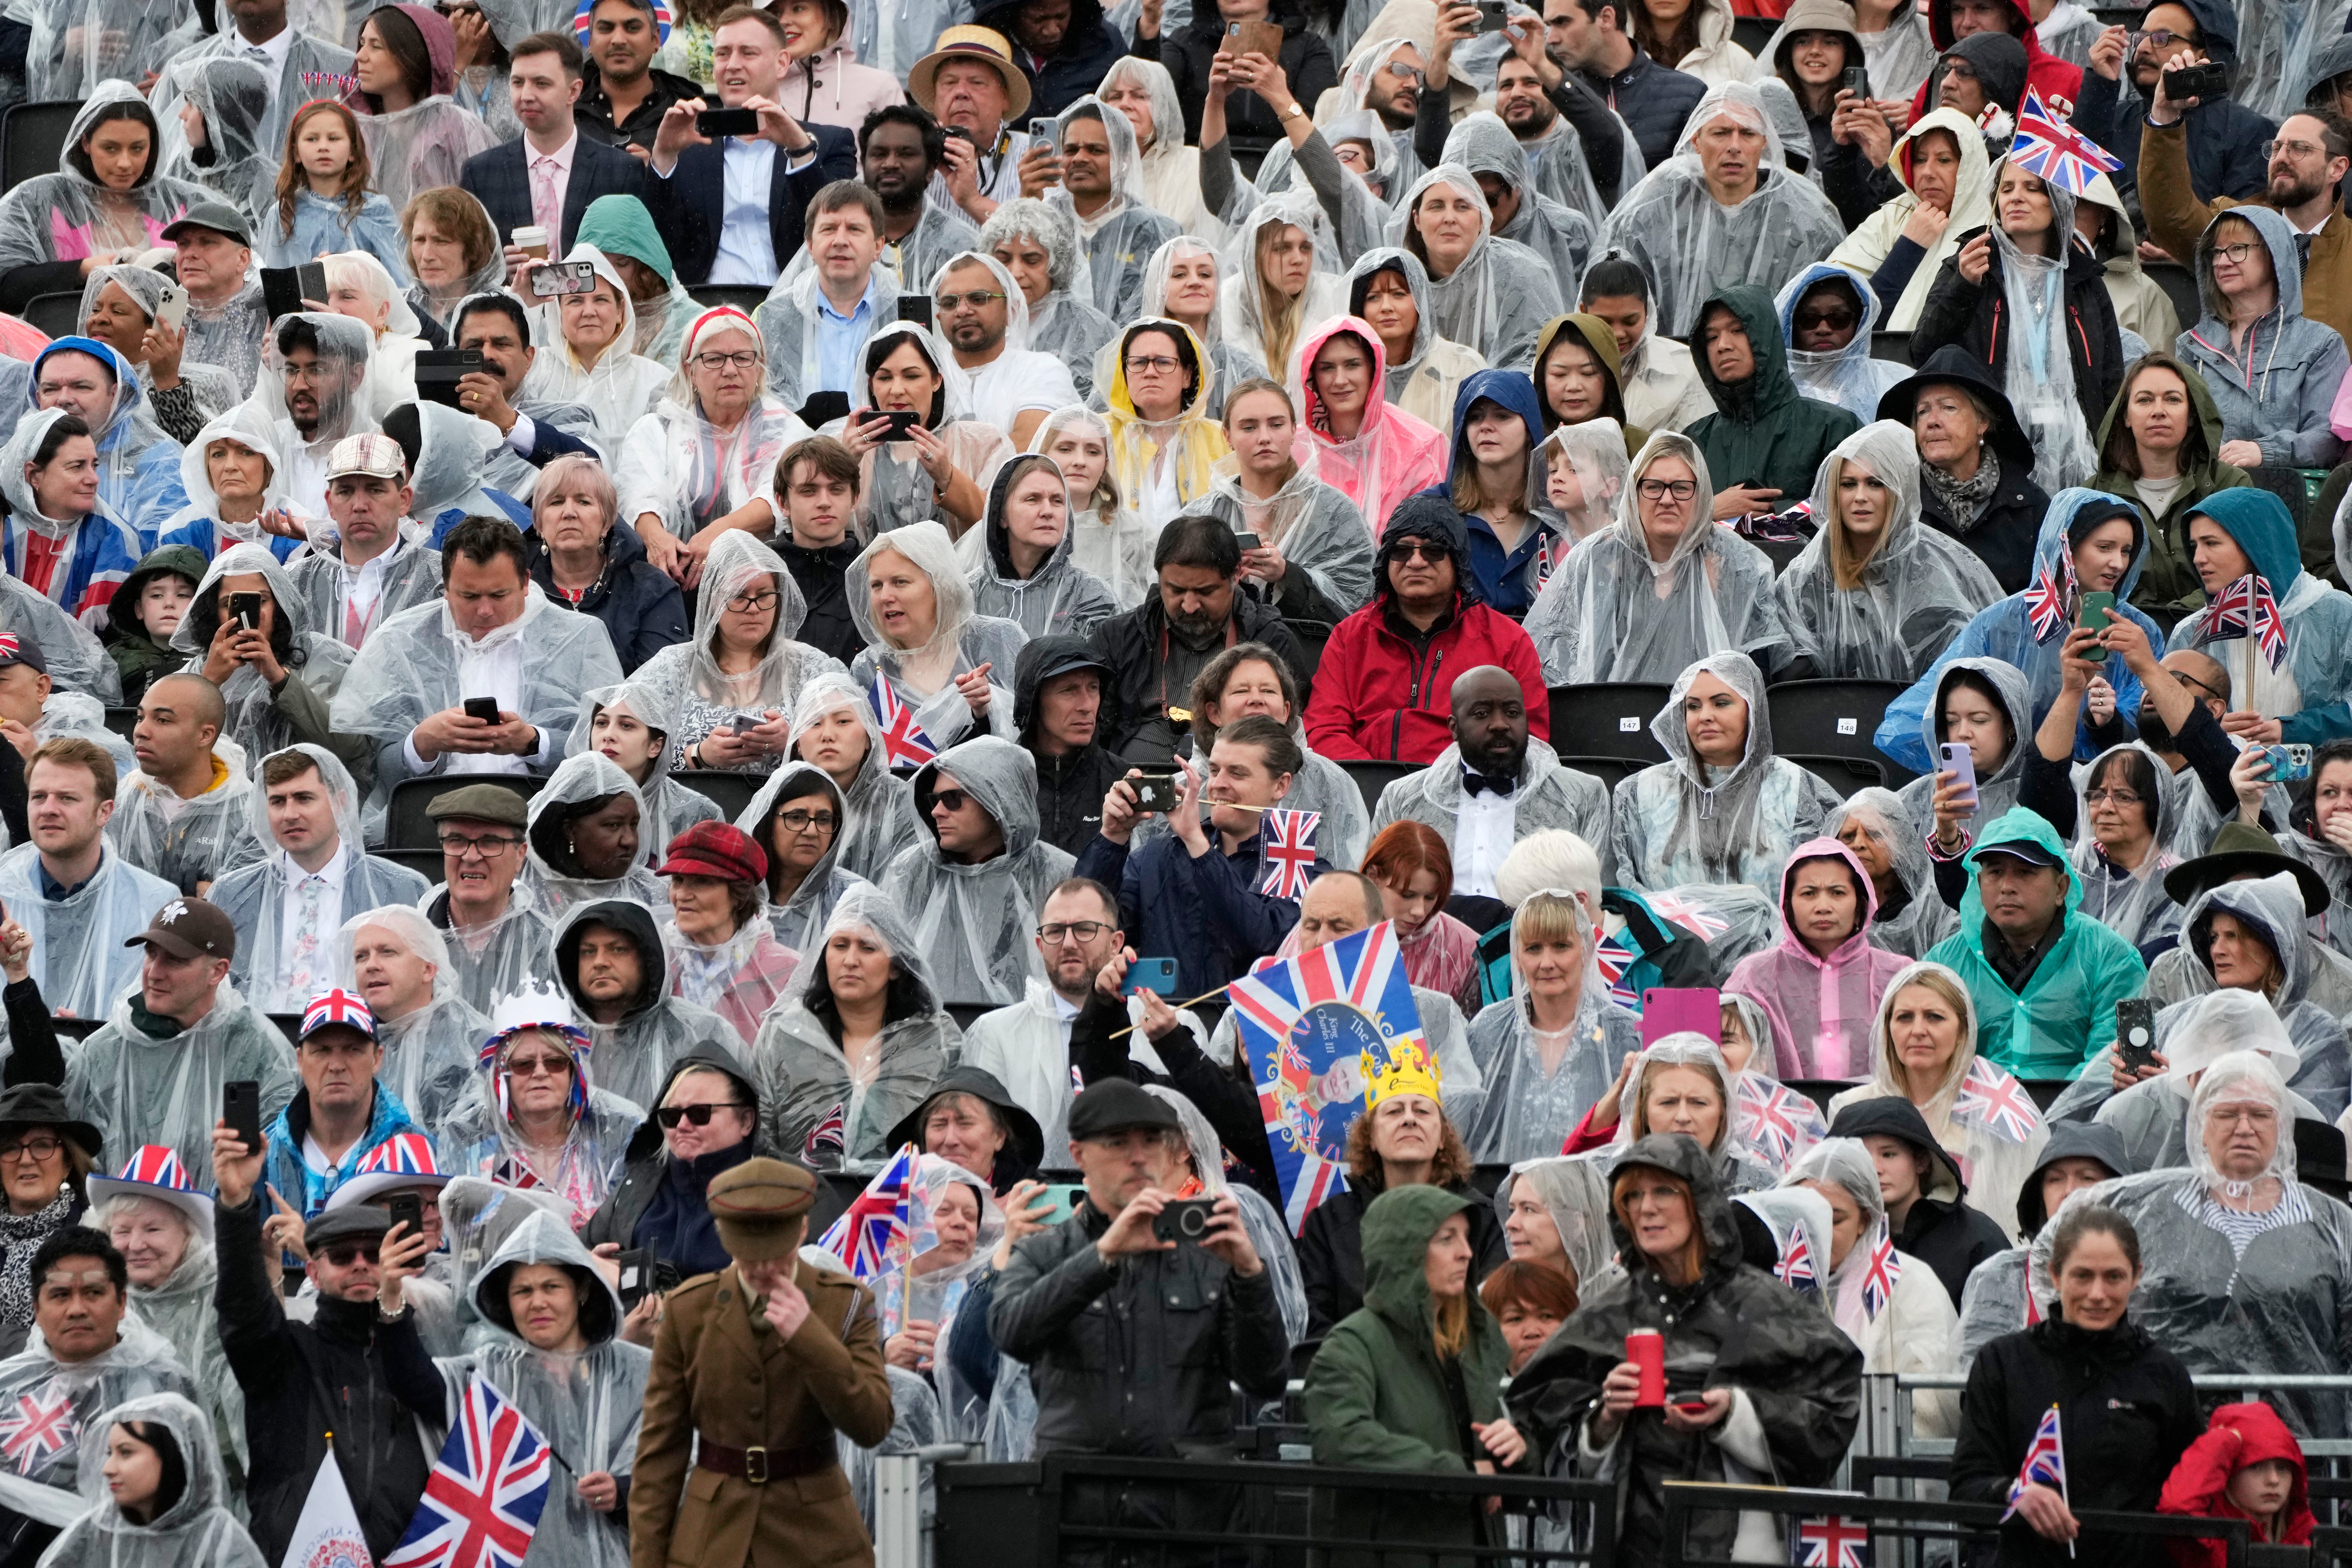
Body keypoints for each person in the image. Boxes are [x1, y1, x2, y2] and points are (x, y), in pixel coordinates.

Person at [1506, 1134, 1862, 1565]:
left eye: (1663, 1191)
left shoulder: (1763, 1305)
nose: (1646, 1207)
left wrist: (1734, 1413)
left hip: (1741, 1548)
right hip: (1630, 1547)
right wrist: (1603, 1420)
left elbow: (1833, 1405)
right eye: (1632, 1195)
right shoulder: (1609, 1312)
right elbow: (1530, 1423)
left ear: (1700, 1202)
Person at [987, 1075, 1285, 1529]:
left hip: (1192, 1523)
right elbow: (1011, 1331)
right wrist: (1104, 1255)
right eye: (1118, 1142)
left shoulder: (1210, 1250)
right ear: (1079, 1155)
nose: (1140, 1156)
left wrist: (1250, 1276)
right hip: (1079, 1519)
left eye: (1153, 1140)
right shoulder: (1045, 1251)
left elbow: (1265, 1378)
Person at [629, 1156, 891, 1566]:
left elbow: (872, 1423)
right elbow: (660, 1453)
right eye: (750, 1257)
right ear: (722, 1234)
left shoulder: (845, 1301)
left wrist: (809, 1337)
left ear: (803, 1229)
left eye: (778, 1253)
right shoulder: (688, 1309)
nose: (765, 1267)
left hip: (816, 1539)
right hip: (714, 1538)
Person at [374, 1197, 647, 1568]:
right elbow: (411, 1381)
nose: (537, 1303)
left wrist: (623, 1492)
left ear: (581, 1292)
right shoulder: (489, 1374)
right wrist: (391, 1293)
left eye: (552, 1287)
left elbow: (685, 1469)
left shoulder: (638, 1371)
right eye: (523, 1291)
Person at [207, 1120, 429, 1565]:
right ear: (312, 1271)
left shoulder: (421, 1358)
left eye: (376, 1254)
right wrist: (235, 1204)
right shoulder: (285, 1357)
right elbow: (244, 1312)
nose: (362, 1265)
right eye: (344, 1256)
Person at [328, 515, 624, 842]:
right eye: (469, 597)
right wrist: (423, 743)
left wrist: (533, 743)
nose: (484, 610)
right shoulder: (404, 642)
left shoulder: (579, 639)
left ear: (526, 582)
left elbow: (609, 750)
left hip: (544, 821)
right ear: (445, 589)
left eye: (499, 595)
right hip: (431, 821)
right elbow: (376, 769)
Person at [1950, 1202, 2200, 1563]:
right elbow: (1966, 1486)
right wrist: (2012, 1493)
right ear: (2054, 1275)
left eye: (2113, 1276)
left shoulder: (2162, 1373)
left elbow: (2191, 1489)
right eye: (2082, 1275)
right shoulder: (2002, 1363)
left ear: (2135, 1276)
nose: (2097, 1294)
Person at [1877, 492, 2163, 779]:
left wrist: (2106, 723)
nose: (2118, 563)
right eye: (2105, 547)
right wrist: (1973, 786)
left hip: (2102, 791)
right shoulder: (2001, 624)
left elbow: (2158, 730)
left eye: (2126, 551)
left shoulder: (2139, 632)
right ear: (2067, 548)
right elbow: (1915, 721)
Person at [1304, 1184, 1524, 1553]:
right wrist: (1462, 1478)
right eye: (1446, 1239)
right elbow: (1341, 1440)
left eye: (1466, 1238)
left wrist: (1516, 1452)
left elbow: (1492, 1464)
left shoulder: (1470, 1343)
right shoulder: (1351, 1343)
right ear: (1402, 1249)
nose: (1466, 1253)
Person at [1074, 715, 1327, 999]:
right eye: (1215, 770)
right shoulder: (1159, 853)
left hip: (1242, 1034)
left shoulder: (1301, 865)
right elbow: (1094, 929)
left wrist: (1198, 845)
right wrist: (1112, 838)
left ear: (1280, 786)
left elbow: (1264, 943)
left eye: (1238, 773)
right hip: (1158, 1027)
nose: (1218, 784)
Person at [1913, 159, 2127, 493]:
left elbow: (2110, 379)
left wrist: (2112, 455)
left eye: (2031, 188)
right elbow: (1922, 352)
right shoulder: (1969, 264)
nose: (2015, 197)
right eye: (2007, 188)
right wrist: (1964, 286)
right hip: (1992, 448)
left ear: (2057, 201)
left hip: (2077, 454)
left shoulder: (2085, 281)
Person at [52, 893, 294, 1188]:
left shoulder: (255, 1046)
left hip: (224, 1225)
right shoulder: (106, 1049)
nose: (154, 973)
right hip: (121, 1228)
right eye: (152, 954)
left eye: (175, 960)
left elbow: (282, 1159)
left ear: (217, 971)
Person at [0, 1230, 202, 1566]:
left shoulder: (165, 1390)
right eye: (60, 1295)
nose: (77, 1309)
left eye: (93, 1292)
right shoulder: (9, 1386)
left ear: (122, 1302)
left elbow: (188, 1511)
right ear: (36, 1308)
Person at [1523, 433, 1787, 685]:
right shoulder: (1594, 559)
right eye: (1653, 487)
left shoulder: (1737, 564)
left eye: (1682, 488)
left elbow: (1756, 675)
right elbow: (1552, 660)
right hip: (1608, 718)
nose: (1667, 500)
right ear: (1634, 495)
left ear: (1702, 495)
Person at [1304, 499, 1548, 765]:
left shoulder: (1508, 640)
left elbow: (1530, 738)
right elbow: (1325, 730)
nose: (1416, 562)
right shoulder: (1348, 637)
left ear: (1458, 562)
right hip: (1366, 790)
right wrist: (1377, 781)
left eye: (1433, 551)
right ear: (1387, 560)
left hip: (1469, 794)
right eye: (1402, 551)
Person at [1596, 82, 1846, 341]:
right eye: (1721, 133)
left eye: (1748, 133)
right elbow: (1608, 287)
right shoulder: (1654, 205)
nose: (1734, 146)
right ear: (1697, 141)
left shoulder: (1808, 216)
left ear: (1764, 143)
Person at [1826, 959, 2049, 1239]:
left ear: (1962, 1032)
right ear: (1888, 1028)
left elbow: (2020, 1213)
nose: (1918, 1030)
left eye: (1935, 1017)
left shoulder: (2001, 1107)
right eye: (1905, 1017)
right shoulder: (1850, 1109)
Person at [1773, 420, 2005, 683]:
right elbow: (1794, 681)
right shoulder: (1805, 577)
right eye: (1848, 484)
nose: (1860, 496)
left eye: (1875, 483)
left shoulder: (1939, 566)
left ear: (1898, 490)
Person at [207, 745, 427, 1011]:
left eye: (304, 798)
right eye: (278, 801)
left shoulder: (402, 889)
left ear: (339, 802)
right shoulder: (230, 894)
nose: (289, 814)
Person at [646, 8, 857, 286]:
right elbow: (657, 244)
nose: (732, 65)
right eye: (722, 53)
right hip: (705, 310)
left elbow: (837, 233)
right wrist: (662, 157)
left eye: (748, 53)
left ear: (782, 63)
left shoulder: (828, 144)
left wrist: (799, 152)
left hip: (798, 306)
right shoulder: (685, 146)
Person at [752, 886, 961, 1165]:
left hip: (906, 1200)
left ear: (896, 966)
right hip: (804, 1200)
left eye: (868, 947)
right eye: (840, 946)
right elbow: (759, 1135)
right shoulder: (783, 1033)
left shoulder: (937, 1039)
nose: (850, 961)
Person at [1368, 665, 1610, 902]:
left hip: (1540, 937)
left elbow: (1595, 898)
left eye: (1512, 713)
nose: (1500, 724)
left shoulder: (1583, 795)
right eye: (1482, 714)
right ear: (1454, 728)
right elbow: (1375, 893)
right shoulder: (1402, 798)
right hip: (1433, 937)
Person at [1612, 652, 1845, 896]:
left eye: (1721, 703)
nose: (1705, 716)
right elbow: (1628, 891)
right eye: (1693, 706)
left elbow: (1825, 891)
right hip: (1669, 934)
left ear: (1751, 710)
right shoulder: (1640, 793)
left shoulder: (1796, 788)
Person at [1777, 1137, 1963, 1436]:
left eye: (1834, 1220)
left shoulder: (1909, 1283)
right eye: (1805, 1217)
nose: (1818, 1232)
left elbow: (1930, 1409)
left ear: (1864, 1220)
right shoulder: (1772, 1281)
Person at [615, 306, 811, 586]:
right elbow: (637, 493)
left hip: (761, 580)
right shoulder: (657, 429)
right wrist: (657, 538)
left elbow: (782, 497)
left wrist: (720, 532)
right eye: (714, 359)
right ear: (689, 370)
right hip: (670, 579)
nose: (730, 370)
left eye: (743, 358)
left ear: (759, 366)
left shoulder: (785, 428)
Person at [2140, 94, 2352, 351]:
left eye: (2299, 148)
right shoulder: (2235, 224)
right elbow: (2171, 218)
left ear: (2337, 169)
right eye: (2276, 148)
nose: (2281, 158)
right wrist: (2164, 117)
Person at [1091, 515, 1307, 766]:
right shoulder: (1119, 639)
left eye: (1206, 592)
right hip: (1126, 789)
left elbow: (1286, 742)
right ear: (1159, 577)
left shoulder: (1271, 642)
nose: (1190, 606)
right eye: (1176, 590)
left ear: (1236, 575)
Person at [881, 736, 1075, 1009]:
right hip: (931, 1036)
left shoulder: (1058, 874)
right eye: (933, 799)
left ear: (999, 803)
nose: (937, 811)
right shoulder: (911, 873)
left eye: (952, 799)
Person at [1463, 884, 1643, 1162]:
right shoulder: (1489, 1029)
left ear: (1586, 950)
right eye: (1534, 949)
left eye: (1561, 946)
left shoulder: (1628, 1033)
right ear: (1518, 958)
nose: (1547, 963)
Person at [0, 739, 178, 1021]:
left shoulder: (155, 901)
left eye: (67, 798)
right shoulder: (4, 894)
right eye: (38, 797)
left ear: (104, 812)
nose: (48, 809)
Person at [457, 31, 666, 261]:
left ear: (574, 91)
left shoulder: (620, 171)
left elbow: (636, 261)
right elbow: (469, 265)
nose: (526, 95)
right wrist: (500, 274)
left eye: (541, 83)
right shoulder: (481, 173)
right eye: (518, 83)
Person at [0, 87, 207, 318]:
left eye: (138, 148)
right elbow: (6, 286)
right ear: (86, 143)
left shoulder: (183, 203)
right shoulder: (38, 202)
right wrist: (82, 270)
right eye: (111, 148)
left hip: (167, 342)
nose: (125, 163)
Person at [2165, 489, 2352, 744]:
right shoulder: (2192, 634)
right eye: (2194, 546)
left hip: (2323, 780)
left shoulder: (2337, 615)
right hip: (2222, 782)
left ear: (2256, 544)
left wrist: (2294, 730)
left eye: (2211, 543)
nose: (2198, 558)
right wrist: (2210, 728)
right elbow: (2164, 726)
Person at [1722, 839, 1912, 1081]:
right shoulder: (1752, 978)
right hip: (1779, 1115)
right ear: (1787, 905)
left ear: (1860, 906)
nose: (1823, 907)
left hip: (1876, 1117)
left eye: (1838, 893)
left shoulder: (1899, 976)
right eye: (1809, 893)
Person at [2074, 6, 2276, 233]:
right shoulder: (2117, 117)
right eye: (2140, 37)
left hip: (2195, 266)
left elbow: (2246, 229)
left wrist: (2181, 248)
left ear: (2202, 53)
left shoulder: (2247, 130)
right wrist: (2101, 86)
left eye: (2161, 38)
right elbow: (2075, 186)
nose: (2143, 48)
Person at [2174, 208, 2348, 470]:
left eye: (2237, 249)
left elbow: (2327, 439)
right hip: (2204, 495)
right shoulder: (2191, 346)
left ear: (2274, 255)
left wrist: (2264, 451)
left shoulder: (2322, 344)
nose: (2223, 262)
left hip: (2284, 496)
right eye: (2217, 252)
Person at [172, 543, 358, 779]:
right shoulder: (195, 671)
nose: (250, 614)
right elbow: (167, 751)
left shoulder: (323, 657)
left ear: (280, 604)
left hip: (303, 802)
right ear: (213, 612)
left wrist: (280, 680)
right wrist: (208, 683)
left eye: (261, 600)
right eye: (230, 603)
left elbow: (351, 747)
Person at [1183, 641, 1370, 869]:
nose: (1256, 699)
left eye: (1268, 691)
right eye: (1242, 691)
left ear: (1285, 712)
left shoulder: (1329, 784)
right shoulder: (1184, 789)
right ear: (1214, 712)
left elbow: (1346, 878)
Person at [1685, 289, 1864, 526]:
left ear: (1765, 338)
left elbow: (1860, 507)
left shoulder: (1833, 427)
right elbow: (1659, 523)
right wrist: (1709, 509)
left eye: (1738, 330)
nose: (1723, 345)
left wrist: (1770, 512)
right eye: (1711, 337)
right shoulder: (1693, 441)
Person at [847, 519, 1024, 758]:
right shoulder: (868, 669)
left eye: (900, 582)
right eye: (876, 585)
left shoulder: (997, 640)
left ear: (939, 586)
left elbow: (1032, 738)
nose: (885, 596)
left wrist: (987, 709)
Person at [2087, 352, 2250, 610]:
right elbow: (2080, 586)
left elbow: (2247, 575)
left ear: (2193, 415)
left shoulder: (2230, 486)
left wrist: (2180, 620)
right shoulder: (2094, 496)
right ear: (2126, 417)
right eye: (2145, 400)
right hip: (2119, 635)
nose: (2158, 411)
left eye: (2173, 399)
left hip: (2212, 633)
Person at [40, 1391, 266, 1568]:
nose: (107, 1468)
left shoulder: (220, 1539)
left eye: (126, 1452)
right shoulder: (96, 1530)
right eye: (110, 1453)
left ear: (171, 1455)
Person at [1824, 1093, 2011, 1305]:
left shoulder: (1978, 1237)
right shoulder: (1830, 1237)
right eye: (1860, 1157)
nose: (1875, 1169)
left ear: (1921, 1162)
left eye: (1889, 1155)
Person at [258, 989, 428, 1219]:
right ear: (300, 1060)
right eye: (322, 1051)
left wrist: (308, 1250)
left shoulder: (417, 1153)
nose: (336, 1065)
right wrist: (233, 1201)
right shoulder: (265, 1156)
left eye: (353, 1049)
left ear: (377, 1058)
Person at [1825, 108, 1994, 333]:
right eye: (1919, 160)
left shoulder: (1991, 229)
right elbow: (1837, 314)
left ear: (1969, 166)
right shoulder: (1894, 216)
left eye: (1944, 160)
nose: (1927, 172)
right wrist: (1910, 247)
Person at [1383, 166, 1560, 373]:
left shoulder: (1521, 273)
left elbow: (1535, 363)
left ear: (1482, 220)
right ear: (1417, 220)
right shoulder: (1394, 280)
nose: (1449, 218)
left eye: (1462, 207)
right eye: (1437, 207)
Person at [1558, 1034, 1782, 1195]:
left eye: (1699, 1103)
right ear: (1643, 1111)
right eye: (1668, 1102)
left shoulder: (1761, 1188)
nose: (1683, 1116)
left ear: (1723, 1111)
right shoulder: (1605, 1181)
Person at [522, 455, 683, 675]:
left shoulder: (652, 591)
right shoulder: (517, 586)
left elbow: (657, 687)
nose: (569, 513)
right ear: (539, 524)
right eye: (556, 502)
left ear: (606, 523)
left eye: (583, 502)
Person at [338, 4, 503, 216]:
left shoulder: (460, 130)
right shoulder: (349, 128)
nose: (360, 56)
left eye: (376, 46)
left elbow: (486, 217)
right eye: (361, 44)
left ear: (411, 56)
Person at [337, 905, 486, 1136]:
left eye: (387, 951)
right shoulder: (341, 1043)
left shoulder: (473, 1042)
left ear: (428, 968)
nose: (371, 965)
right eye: (361, 956)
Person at [107, 674, 258, 897]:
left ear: (205, 735)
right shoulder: (120, 800)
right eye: (140, 717)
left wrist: (218, 895)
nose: (140, 731)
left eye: (163, 720)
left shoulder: (248, 812)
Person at [651, 828, 802, 1050]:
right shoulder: (657, 962)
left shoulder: (788, 973)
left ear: (739, 896)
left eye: (702, 881)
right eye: (678, 879)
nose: (682, 895)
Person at [0, 407, 147, 633]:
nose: (93, 479)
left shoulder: (118, 540)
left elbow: (116, 643)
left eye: (94, 465)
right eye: (78, 466)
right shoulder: (5, 526)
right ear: (33, 475)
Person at [418, 782, 558, 1013]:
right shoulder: (410, 942)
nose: (471, 856)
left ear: (520, 855)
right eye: (457, 841)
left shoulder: (549, 945)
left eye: (490, 842)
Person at [73, 268, 241, 447]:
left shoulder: (207, 383)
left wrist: (167, 382)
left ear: (156, 326)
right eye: (96, 309)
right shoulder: (68, 382)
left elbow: (202, 453)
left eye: (118, 312)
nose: (99, 319)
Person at [782, 673, 920, 883]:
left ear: (869, 738)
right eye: (814, 723)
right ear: (797, 744)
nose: (828, 735)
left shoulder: (901, 805)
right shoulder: (776, 801)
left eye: (843, 721)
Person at [573, 680, 724, 865]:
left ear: (655, 746)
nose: (608, 735)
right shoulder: (565, 801)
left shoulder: (695, 812)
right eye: (602, 723)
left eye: (626, 726)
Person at [980, 199, 1120, 399]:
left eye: (1032, 261)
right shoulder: (972, 321)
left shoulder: (1092, 332)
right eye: (1004, 260)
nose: (1015, 272)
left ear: (1056, 266)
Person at [1547, 0, 1709, 172]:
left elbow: (1700, 188)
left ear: (1606, 19)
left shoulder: (1689, 94)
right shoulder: (1552, 94)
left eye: (1562, 23)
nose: (1551, 39)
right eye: (1548, 25)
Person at [930, 252, 1074, 444]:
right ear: (938, 317)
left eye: (979, 299)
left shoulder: (1042, 371)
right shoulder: (924, 374)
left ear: (1010, 312)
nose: (962, 311)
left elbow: (1028, 448)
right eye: (949, 303)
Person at [264, 101, 407, 282]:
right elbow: (274, 283)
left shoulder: (375, 211)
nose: (323, 147)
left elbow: (397, 283)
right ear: (296, 153)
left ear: (352, 152)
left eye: (334, 138)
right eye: (312, 139)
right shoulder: (282, 214)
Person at [2158, 1400, 2318, 1560]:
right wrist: (2223, 1441)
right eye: (2255, 1466)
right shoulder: (2212, 1541)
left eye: (2282, 1468)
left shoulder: (2303, 1534)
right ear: (2229, 1476)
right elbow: (2177, 1510)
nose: (2274, 1480)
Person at [519, 752, 665, 921]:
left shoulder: (655, 894)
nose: (630, 840)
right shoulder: (521, 895)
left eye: (634, 825)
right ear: (570, 831)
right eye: (613, 825)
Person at [1012, 638, 1123, 859]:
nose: (1087, 706)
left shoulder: (1121, 780)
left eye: (1093, 688)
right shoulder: (1003, 779)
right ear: (1034, 701)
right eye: (1069, 690)